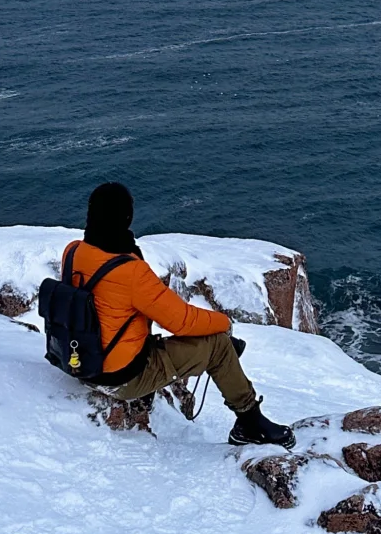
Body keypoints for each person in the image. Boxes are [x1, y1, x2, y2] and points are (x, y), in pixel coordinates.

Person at [63, 181, 294, 449]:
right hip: (120, 377)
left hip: (79, 361)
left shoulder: (73, 251)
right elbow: (181, 321)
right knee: (218, 345)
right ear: (126, 218)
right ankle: (249, 423)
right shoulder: (130, 271)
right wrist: (224, 324)